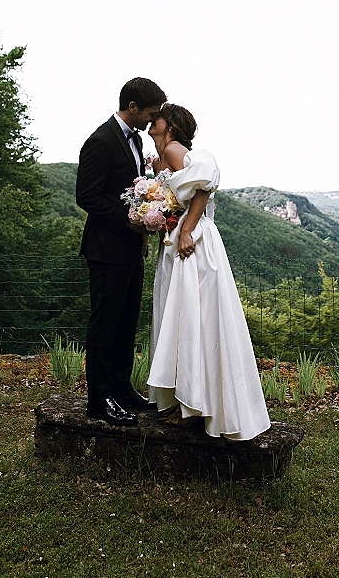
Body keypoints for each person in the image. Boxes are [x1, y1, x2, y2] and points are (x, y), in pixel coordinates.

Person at [146, 104, 271, 441]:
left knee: (191, 318)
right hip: (174, 242)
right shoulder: (157, 159)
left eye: (156, 118)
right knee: (181, 317)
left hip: (192, 243)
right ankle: (184, 401)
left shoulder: (174, 149)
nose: (150, 122)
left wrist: (185, 229)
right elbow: (170, 197)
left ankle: (191, 405)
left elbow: (203, 186)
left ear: (169, 126)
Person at [76, 77, 167, 425]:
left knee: (126, 322)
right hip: (106, 249)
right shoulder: (100, 141)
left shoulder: (135, 139)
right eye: (150, 113)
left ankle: (121, 388)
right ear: (133, 108)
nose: (152, 119)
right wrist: (128, 221)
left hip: (131, 249)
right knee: (105, 325)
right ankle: (99, 401)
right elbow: (87, 196)